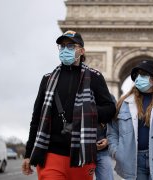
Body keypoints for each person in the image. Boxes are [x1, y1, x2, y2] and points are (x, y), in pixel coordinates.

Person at [21, 30, 116, 180]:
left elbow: (110, 109)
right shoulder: (47, 79)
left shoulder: (95, 77)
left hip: (82, 155)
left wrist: (86, 112)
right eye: (62, 46)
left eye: (71, 46)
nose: (65, 50)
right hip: (51, 155)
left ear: (82, 50)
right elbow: (37, 118)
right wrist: (28, 153)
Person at [95, 94, 116, 180]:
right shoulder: (77, 94)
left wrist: (108, 140)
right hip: (82, 151)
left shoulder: (109, 98)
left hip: (103, 151)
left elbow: (115, 123)